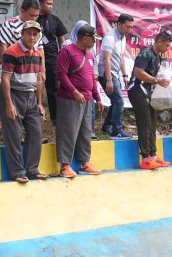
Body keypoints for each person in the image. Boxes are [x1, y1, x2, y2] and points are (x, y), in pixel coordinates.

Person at [0, 21, 47, 183]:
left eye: (35, 34)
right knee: (14, 134)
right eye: (29, 33)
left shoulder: (38, 54)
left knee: (36, 133)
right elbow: (5, 78)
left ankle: (32, 170)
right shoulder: (12, 51)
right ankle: (18, 172)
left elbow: (39, 79)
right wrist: (9, 103)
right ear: (22, 34)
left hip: (31, 97)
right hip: (13, 94)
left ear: (38, 36)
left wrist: (40, 103)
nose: (32, 37)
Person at [55, 24, 103, 178]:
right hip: (70, 99)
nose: (95, 42)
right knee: (68, 130)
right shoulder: (67, 51)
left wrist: (98, 98)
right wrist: (74, 91)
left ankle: (84, 162)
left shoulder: (90, 55)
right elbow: (61, 75)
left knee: (85, 132)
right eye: (93, 39)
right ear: (85, 38)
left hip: (87, 100)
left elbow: (92, 79)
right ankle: (65, 165)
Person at [127, 32, 172, 170]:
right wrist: (157, 80)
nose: (168, 48)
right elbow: (138, 72)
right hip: (136, 90)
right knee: (145, 123)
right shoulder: (146, 53)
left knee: (153, 123)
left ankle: (153, 156)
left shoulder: (158, 57)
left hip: (147, 91)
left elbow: (154, 77)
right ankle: (145, 158)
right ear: (159, 42)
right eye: (167, 45)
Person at [98, 13, 134, 139]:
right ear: (119, 24)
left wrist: (124, 74)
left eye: (131, 27)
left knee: (115, 101)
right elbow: (106, 60)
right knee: (119, 101)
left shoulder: (122, 37)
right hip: (105, 73)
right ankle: (116, 130)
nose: (129, 30)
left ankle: (106, 126)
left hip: (114, 73)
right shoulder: (110, 38)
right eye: (127, 27)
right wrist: (109, 80)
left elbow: (121, 57)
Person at [37, 0, 67, 125]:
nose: (51, 6)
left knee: (53, 88)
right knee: (34, 88)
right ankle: (35, 118)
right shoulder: (33, 18)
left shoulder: (55, 20)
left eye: (52, 4)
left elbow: (61, 40)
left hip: (51, 59)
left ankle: (55, 120)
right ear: (40, 3)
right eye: (48, 4)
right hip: (34, 58)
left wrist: (62, 55)